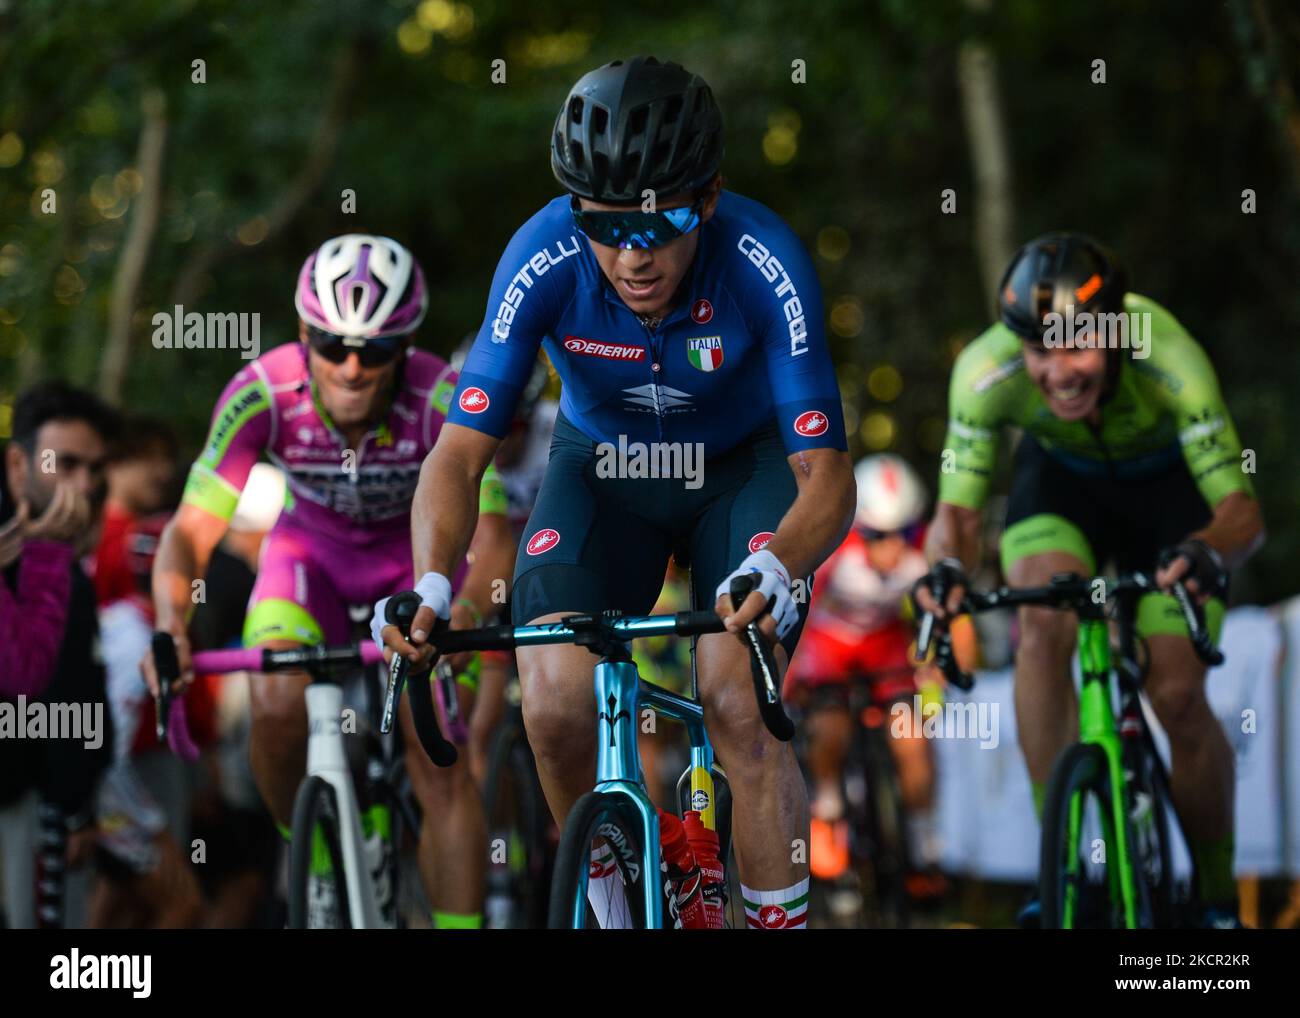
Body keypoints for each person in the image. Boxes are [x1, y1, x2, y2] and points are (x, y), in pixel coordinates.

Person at [376, 56, 855, 930]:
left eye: (662, 222)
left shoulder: (765, 260)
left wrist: (781, 565)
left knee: (735, 698)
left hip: (741, 471)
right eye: (605, 225)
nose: (634, 257)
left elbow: (825, 476)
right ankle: (620, 901)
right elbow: (457, 454)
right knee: (554, 700)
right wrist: (434, 580)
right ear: (575, 209)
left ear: (709, 198)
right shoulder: (540, 256)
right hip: (603, 470)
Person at [142, 234, 516, 929]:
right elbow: (189, 531)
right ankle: (316, 855)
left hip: (416, 569)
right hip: (308, 563)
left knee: (438, 760)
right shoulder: (263, 390)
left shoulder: (442, 394)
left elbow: (493, 536)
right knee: (275, 702)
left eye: (375, 350)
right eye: (330, 343)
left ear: (405, 346)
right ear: (302, 332)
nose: (350, 367)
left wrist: (464, 608)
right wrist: (170, 625)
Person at [914, 232, 1265, 927]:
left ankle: (1217, 898)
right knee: (1042, 625)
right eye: (1039, 351)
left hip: (1170, 500)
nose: (1058, 372)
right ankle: (1063, 862)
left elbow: (1242, 512)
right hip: (1061, 488)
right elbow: (957, 514)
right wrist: (945, 568)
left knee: (1177, 694)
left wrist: (1207, 551)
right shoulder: (985, 370)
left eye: (1078, 347)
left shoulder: (1168, 354)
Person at [786, 454, 971, 902]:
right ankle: (829, 811)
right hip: (830, 642)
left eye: (901, 533)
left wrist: (952, 668)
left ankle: (924, 849)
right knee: (829, 726)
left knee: (911, 741)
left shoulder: (923, 552)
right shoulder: (834, 550)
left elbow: (953, 620)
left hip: (886, 643)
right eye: (876, 536)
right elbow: (799, 612)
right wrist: (791, 677)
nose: (890, 547)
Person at [0, 381, 118, 927]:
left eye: (94, 470)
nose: (84, 485)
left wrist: (78, 804)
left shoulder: (59, 559)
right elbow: (32, 676)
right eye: (66, 464)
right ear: (18, 464)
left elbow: (79, 688)